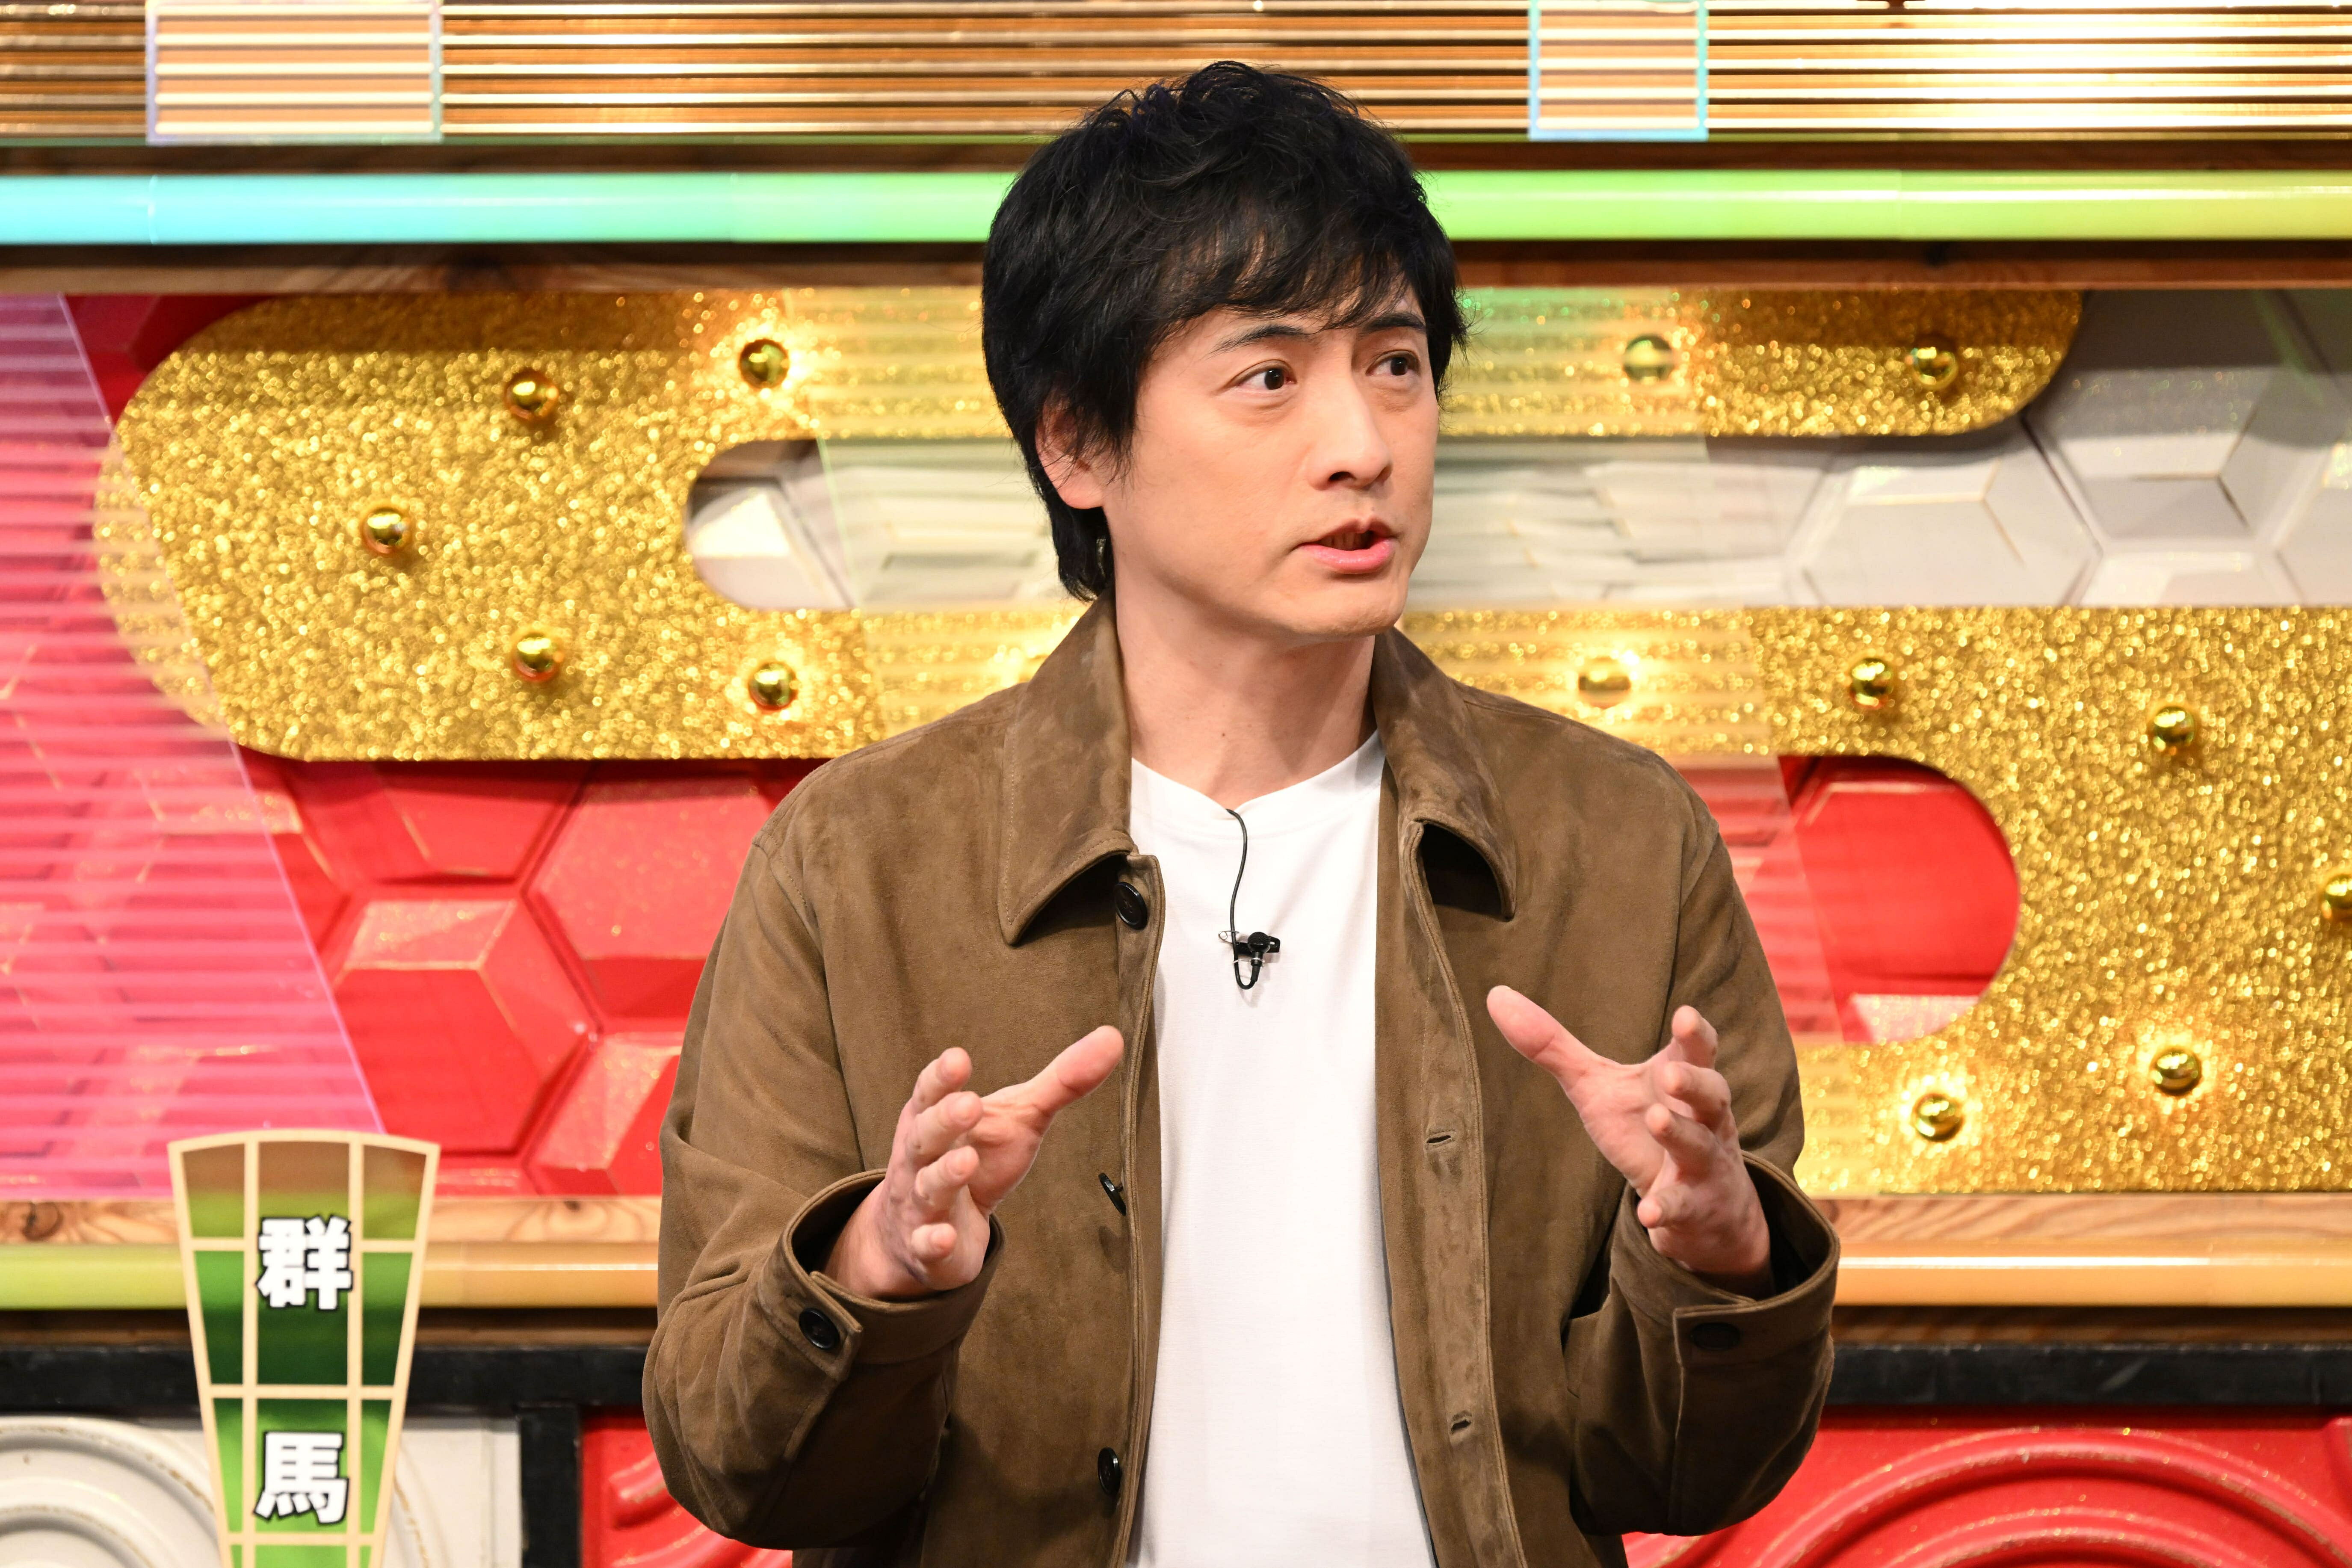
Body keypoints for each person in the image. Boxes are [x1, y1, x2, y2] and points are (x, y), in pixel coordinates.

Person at [645, 61, 1837, 1568]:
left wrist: (1719, 1254)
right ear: (1077, 444)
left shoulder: (1615, 840)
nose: (1363, 444)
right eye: (1269, 377)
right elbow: (732, 1460)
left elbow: (1687, 1472)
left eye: (1395, 364)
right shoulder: (858, 860)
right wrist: (878, 1268)